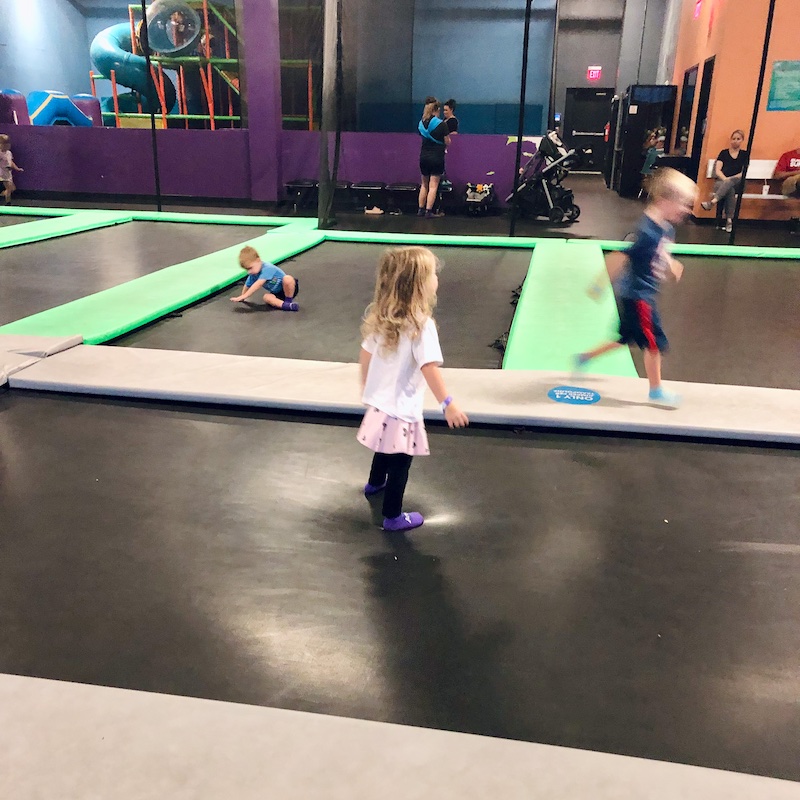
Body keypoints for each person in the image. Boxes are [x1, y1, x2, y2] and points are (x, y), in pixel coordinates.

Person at [358, 246, 468, 532]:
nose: (437, 279)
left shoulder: (383, 316)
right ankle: (393, 516)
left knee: (384, 445)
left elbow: (365, 353)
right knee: (400, 462)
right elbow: (428, 367)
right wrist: (448, 403)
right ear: (418, 285)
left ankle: (374, 483)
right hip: (402, 408)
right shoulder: (421, 325)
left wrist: (366, 386)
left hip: (381, 402)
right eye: (433, 274)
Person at [576, 167, 698, 408]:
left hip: (640, 294)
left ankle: (584, 358)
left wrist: (671, 264)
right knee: (654, 345)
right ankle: (656, 390)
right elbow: (619, 257)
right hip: (638, 297)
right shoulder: (645, 231)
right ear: (664, 201)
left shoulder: (665, 228)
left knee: (623, 338)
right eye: (683, 204)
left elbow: (659, 251)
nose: (686, 210)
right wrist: (600, 284)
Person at [700, 129, 749, 232]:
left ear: (742, 140)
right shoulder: (723, 153)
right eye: (734, 138)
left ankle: (712, 202)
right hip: (722, 181)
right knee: (730, 189)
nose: (735, 141)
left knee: (729, 185)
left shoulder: (745, 154)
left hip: (738, 182)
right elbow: (718, 170)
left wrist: (730, 179)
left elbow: (743, 172)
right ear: (731, 140)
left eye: (738, 139)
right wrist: (726, 180)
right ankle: (729, 220)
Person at [231, 245, 299, 311]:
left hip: (289, 289)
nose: (249, 272)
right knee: (266, 297)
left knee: (287, 279)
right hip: (277, 294)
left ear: (258, 260)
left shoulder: (267, 268)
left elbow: (259, 284)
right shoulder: (253, 274)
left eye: (250, 268)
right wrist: (242, 296)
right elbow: (247, 285)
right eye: (247, 270)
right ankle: (286, 306)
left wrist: (245, 296)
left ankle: (288, 300)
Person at [417, 97, 451, 218]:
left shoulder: (421, 124)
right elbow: (447, 141)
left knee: (424, 185)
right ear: (436, 110)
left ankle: (420, 209)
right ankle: (428, 211)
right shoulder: (442, 124)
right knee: (433, 186)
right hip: (436, 157)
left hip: (423, 157)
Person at [0, 134, 24, 205]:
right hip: (2, 173)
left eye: (8, 144)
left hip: (8, 173)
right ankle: (8, 202)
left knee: (12, 188)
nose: (6, 146)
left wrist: (17, 168)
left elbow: (11, 162)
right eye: (4, 144)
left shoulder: (9, 153)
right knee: (9, 188)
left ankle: (4, 195)